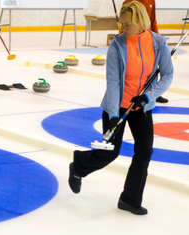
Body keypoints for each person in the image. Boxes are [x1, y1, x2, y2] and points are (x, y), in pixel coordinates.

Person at [68, 1, 173, 215]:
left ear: (140, 22)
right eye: (121, 24)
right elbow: (113, 82)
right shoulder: (117, 46)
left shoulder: (158, 43)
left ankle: (130, 199)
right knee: (110, 152)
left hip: (141, 106)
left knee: (144, 151)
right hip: (117, 105)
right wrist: (114, 115)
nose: (122, 29)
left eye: (127, 25)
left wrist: (149, 96)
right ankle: (79, 165)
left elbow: (167, 75)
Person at [122, 0, 168, 103]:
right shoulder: (128, 2)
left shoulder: (151, 0)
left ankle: (153, 94)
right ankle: (129, 94)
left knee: (152, 70)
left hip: (148, 40)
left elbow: (153, 20)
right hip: (133, 41)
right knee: (134, 70)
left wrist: (157, 38)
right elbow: (125, 24)